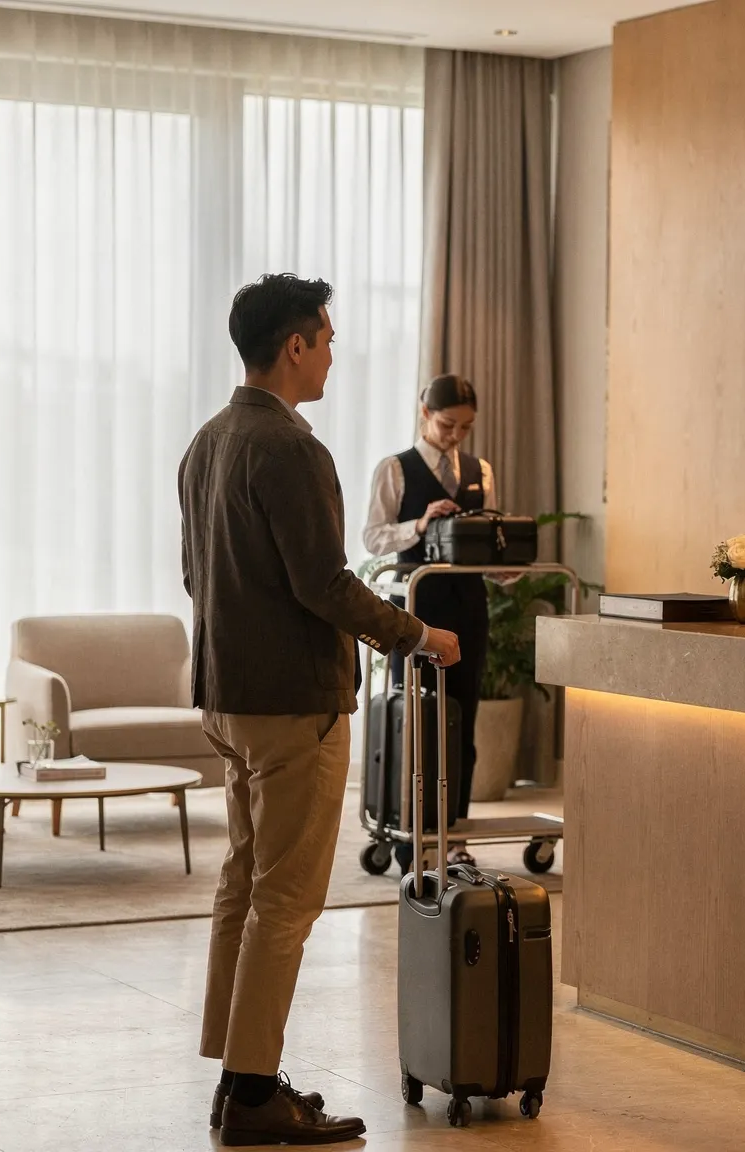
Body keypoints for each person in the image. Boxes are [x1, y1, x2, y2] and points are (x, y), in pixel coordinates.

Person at [180, 273, 460, 1146]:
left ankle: (236, 1076)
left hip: (226, 700)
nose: (335, 351)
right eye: (327, 338)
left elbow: (197, 576)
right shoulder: (291, 449)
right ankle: (256, 1093)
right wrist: (417, 634)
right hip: (293, 705)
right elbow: (324, 584)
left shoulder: (208, 441)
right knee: (286, 900)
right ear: (294, 345)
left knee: (243, 883)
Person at [362, 374, 493, 845]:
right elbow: (374, 537)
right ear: (425, 414)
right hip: (416, 605)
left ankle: (452, 832)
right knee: (415, 716)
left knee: (464, 716)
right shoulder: (395, 469)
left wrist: (504, 567)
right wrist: (419, 524)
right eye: (446, 425)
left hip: (469, 604)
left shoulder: (481, 470)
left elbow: (484, 544)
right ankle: (408, 831)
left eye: (465, 427)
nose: (456, 436)